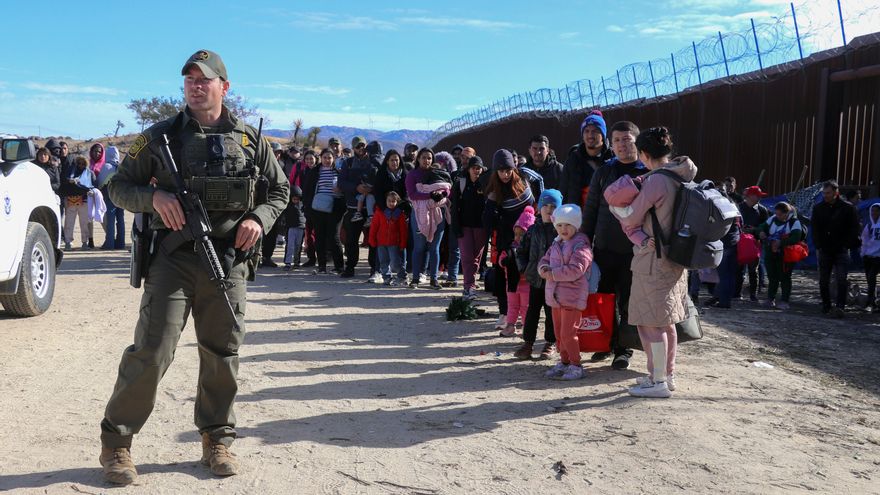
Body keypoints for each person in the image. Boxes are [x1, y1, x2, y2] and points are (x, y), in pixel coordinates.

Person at [99, 50, 289, 484]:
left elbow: (279, 191)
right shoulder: (160, 136)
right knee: (152, 350)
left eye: (204, 79)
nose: (195, 86)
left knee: (222, 352)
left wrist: (258, 219)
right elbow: (117, 187)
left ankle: (217, 439)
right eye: (189, 79)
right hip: (174, 259)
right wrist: (154, 198)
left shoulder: (250, 140)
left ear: (224, 86)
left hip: (228, 261)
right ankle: (117, 444)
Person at [609, 126, 694, 398]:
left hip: (653, 259)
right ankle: (667, 375)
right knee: (667, 321)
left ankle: (657, 380)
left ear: (644, 154)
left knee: (649, 324)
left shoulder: (656, 181)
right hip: (676, 257)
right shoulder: (681, 175)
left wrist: (616, 208)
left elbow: (631, 216)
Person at [580, 121, 646, 370]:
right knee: (604, 299)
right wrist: (584, 241)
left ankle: (623, 349)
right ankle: (605, 342)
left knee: (628, 301)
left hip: (634, 250)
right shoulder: (604, 172)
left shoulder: (647, 172)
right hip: (605, 248)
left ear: (637, 142)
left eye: (627, 139)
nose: (621, 145)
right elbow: (591, 209)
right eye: (617, 140)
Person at [539, 204, 593, 381]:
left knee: (569, 334)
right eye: (560, 225)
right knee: (559, 333)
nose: (563, 229)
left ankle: (576, 365)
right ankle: (564, 361)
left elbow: (576, 269)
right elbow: (545, 259)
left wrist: (552, 274)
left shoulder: (581, 246)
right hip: (555, 297)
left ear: (576, 225)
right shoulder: (557, 243)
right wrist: (543, 267)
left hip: (572, 297)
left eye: (568, 224)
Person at [483, 149, 535, 331]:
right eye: (501, 171)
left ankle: (525, 315)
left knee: (525, 279)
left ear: (514, 169)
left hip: (526, 240)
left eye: (508, 170)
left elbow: (532, 210)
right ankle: (504, 313)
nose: (505, 174)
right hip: (505, 241)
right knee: (504, 277)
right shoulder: (493, 191)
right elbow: (487, 223)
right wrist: (491, 203)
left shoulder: (523, 185)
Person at [515, 189, 562, 360]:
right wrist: (525, 268)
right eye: (546, 206)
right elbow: (521, 251)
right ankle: (528, 343)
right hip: (535, 280)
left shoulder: (560, 230)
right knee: (532, 312)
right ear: (539, 208)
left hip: (554, 281)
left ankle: (550, 342)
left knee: (551, 313)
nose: (549, 210)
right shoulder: (532, 230)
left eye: (553, 206)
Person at [811, 180, 860, 317]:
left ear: (835, 192)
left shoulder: (847, 208)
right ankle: (826, 305)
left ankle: (840, 306)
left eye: (828, 193)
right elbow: (815, 228)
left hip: (841, 249)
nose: (825, 195)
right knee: (823, 280)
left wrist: (847, 244)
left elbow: (854, 228)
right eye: (824, 193)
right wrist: (818, 245)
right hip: (825, 249)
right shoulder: (818, 208)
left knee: (841, 279)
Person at [411, 150, 454, 289]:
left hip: (439, 212)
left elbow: (448, 188)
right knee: (419, 247)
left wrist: (442, 194)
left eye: (429, 158)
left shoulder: (439, 172)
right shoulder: (413, 174)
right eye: (423, 157)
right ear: (418, 159)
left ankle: (433, 279)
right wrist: (430, 195)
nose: (426, 160)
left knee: (434, 248)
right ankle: (415, 279)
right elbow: (412, 194)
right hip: (419, 213)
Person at [339, 136, 377, 278]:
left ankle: (374, 268)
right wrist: (356, 187)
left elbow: (380, 180)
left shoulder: (374, 161)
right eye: (357, 146)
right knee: (351, 240)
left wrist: (371, 189)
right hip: (353, 208)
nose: (361, 148)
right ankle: (350, 267)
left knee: (373, 239)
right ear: (353, 148)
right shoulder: (348, 163)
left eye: (362, 145)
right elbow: (341, 183)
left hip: (371, 209)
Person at [451, 155, 488, 300]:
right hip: (464, 226)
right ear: (469, 169)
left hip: (481, 227)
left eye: (479, 168)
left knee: (476, 258)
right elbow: (455, 207)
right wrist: (456, 227)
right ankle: (469, 287)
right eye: (474, 168)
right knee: (466, 257)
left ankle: (470, 283)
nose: (476, 171)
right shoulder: (461, 183)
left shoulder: (486, 184)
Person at [303, 148, 345, 274]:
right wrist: (308, 207)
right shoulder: (315, 171)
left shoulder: (339, 172)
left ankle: (339, 266)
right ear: (321, 158)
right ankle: (321, 266)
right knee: (319, 236)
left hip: (335, 208)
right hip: (318, 208)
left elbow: (345, 189)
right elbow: (307, 190)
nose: (327, 160)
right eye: (325, 157)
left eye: (329, 158)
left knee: (334, 236)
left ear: (334, 158)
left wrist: (341, 191)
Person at [757, 202, 804, 310]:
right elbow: (761, 227)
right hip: (770, 252)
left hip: (785, 255)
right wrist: (761, 232)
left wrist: (781, 243)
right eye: (776, 213)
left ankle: (784, 300)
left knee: (785, 277)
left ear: (786, 213)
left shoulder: (794, 222)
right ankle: (770, 299)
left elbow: (796, 237)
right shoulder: (773, 219)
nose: (777, 216)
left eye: (780, 214)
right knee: (772, 276)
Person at [562, 111, 613, 206]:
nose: (590, 135)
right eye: (587, 131)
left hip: (606, 212)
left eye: (595, 131)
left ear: (603, 135)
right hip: (577, 212)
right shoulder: (573, 159)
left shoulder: (612, 158)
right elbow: (563, 191)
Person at [499, 206, 535, 336]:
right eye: (516, 234)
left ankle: (526, 327)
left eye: (522, 234)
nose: (518, 237)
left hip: (527, 283)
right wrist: (503, 261)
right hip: (512, 282)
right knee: (512, 305)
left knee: (526, 306)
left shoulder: (531, 249)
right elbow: (502, 258)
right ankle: (510, 325)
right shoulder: (510, 247)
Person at [705, 187, 741, 309]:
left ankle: (724, 302)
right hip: (734, 242)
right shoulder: (734, 206)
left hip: (725, 243)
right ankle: (726, 299)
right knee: (730, 275)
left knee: (724, 275)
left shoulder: (720, 207)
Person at [736, 186, 770, 301]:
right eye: (757, 195)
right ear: (750, 196)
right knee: (739, 269)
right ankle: (737, 293)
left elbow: (766, 227)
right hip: (740, 242)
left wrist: (755, 230)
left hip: (755, 243)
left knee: (753, 270)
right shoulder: (739, 207)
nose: (760, 198)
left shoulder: (762, 210)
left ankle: (753, 294)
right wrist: (741, 230)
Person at [369, 191, 409, 285]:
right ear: (385, 201)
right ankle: (386, 277)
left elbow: (403, 230)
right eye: (389, 201)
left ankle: (402, 276)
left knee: (395, 262)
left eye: (393, 201)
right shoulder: (379, 212)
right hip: (381, 242)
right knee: (383, 262)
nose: (391, 203)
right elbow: (374, 227)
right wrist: (372, 239)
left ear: (397, 202)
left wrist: (403, 243)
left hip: (394, 243)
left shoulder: (399, 214)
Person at [434, 151, 461, 287]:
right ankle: (437, 270)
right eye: (439, 164)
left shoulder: (456, 176)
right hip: (438, 212)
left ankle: (450, 273)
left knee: (452, 245)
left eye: (445, 164)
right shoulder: (433, 176)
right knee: (438, 243)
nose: (442, 167)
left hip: (453, 214)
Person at [63, 155, 97, 249]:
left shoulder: (89, 173)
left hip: (84, 200)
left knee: (84, 223)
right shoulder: (70, 172)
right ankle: (68, 242)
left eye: (83, 163)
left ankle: (85, 242)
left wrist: (91, 191)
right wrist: (69, 181)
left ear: (86, 164)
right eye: (79, 163)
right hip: (71, 200)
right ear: (76, 163)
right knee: (69, 222)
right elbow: (64, 183)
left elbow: (94, 185)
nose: (81, 165)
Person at [98, 145, 126, 249]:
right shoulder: (122, 166)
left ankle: (109, 244)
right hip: (122, 197)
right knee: (120, 220)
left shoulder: (107, 167)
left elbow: (100, 183)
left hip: (110, 197)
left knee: (110, 221)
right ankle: (121, 243)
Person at [860, 203, 880, 313]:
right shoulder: (869, 226)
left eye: (877, 211)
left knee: (872, 277)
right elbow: (864, 241)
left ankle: (870, 303)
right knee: (869, 280)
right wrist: (863, 253)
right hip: (868, 257)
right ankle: (873, 301)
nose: (874, 213)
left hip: (878, 257)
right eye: (873, 211)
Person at [282, 185, 306, 270]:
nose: (296, 201)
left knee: (298, 246)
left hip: (301, 228)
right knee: (290, 245)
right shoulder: (288, 206)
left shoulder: (303, 205)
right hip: (291, 228)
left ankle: (296, 262)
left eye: (297, 199)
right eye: (294, 199)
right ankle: (287, 262)